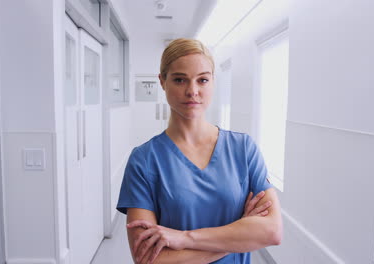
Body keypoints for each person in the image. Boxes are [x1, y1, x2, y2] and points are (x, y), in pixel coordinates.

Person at [117, 38, 283, 264]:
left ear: (213, 81)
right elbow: (148, 260)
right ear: (162, 81)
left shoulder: (243, 150)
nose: (192, 91)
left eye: (202, 80)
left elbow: (272, 231)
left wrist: (185, 238)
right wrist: (240, 236)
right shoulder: (144, 161)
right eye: (179, 80)